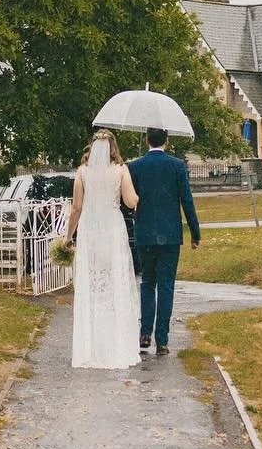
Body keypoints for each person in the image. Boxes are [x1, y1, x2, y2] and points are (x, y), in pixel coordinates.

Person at [66, 130, 141, 369]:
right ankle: (116, 346)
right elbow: (130, 201)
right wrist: (136, 196)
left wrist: (69, 236)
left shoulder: (82, 173)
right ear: (113, 148)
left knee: (92, 284)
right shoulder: (121, 170)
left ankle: (90, 346)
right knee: (114, 282)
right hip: (112, 227)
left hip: (89, 229)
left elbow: (76, 207)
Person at [128, 127, 201, 356]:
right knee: (166, 285)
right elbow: (186, 200)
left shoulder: (136, 166)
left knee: (148, 282)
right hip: (170, 233)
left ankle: (144, 332)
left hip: (145, 233)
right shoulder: (177, 166)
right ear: (166, 141)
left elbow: (129, 200)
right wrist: (195, 233)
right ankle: (162, 340)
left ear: (148, 140)